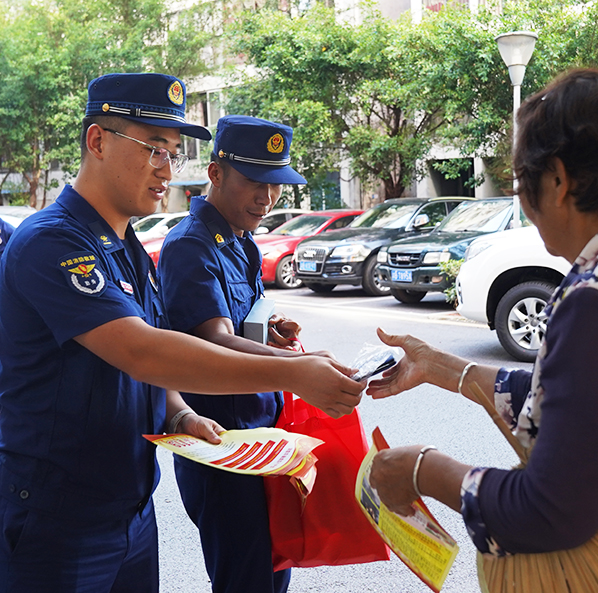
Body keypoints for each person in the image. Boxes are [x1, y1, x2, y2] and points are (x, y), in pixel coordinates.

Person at [366, 69, 598, 593]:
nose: (522, 202)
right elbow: (589, 405)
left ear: (559, 180)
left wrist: (422, 471)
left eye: (522, 182)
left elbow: (549, 512)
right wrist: (441, 366)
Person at [0, 73, 363, 593]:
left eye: (172, 153)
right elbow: (142, 352)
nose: (167, 169)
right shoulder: (52, 241)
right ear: (97, 141)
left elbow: (156, 355)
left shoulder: (125, 246)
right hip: (56, 516)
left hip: (129, 508)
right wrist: (296, 373)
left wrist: (181, 412)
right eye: (153, 149)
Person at [157, 115, 311, 593]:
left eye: (276, 185)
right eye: (254, 182)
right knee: (245, 579)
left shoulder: (241, 241)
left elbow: (239, 325)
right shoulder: (190, 246)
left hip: (263, 437)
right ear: (215, 173)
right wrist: (305, 370)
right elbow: (216, 342)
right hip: (220, 447)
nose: (266, 198)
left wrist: (269, 334)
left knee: (274, 568)